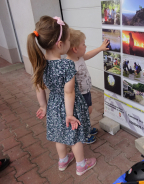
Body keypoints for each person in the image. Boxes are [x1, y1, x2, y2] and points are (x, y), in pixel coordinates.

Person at [27, 16, 96, 176]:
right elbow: (69, 91)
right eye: (68, 40)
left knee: (59, 135)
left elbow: (39, 86)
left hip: (53, 105)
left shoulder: (40, 63)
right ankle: (81, 165)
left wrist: (43, 106)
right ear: (60, 44)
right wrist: (70, 115)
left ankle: (63, 161)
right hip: (69, 106)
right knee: (76, 135)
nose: (69, 43)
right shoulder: (66, 64)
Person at [67, 29, 109, 144]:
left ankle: (87, 128)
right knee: (82, 114)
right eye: (84, 44)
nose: (86, 46)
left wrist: (100, 48)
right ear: (75, 49)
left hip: (86, 91)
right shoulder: (69, 65)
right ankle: (84, 135)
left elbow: (89, 54)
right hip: (78, 96)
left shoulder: (79, 57)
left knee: (88, 111)